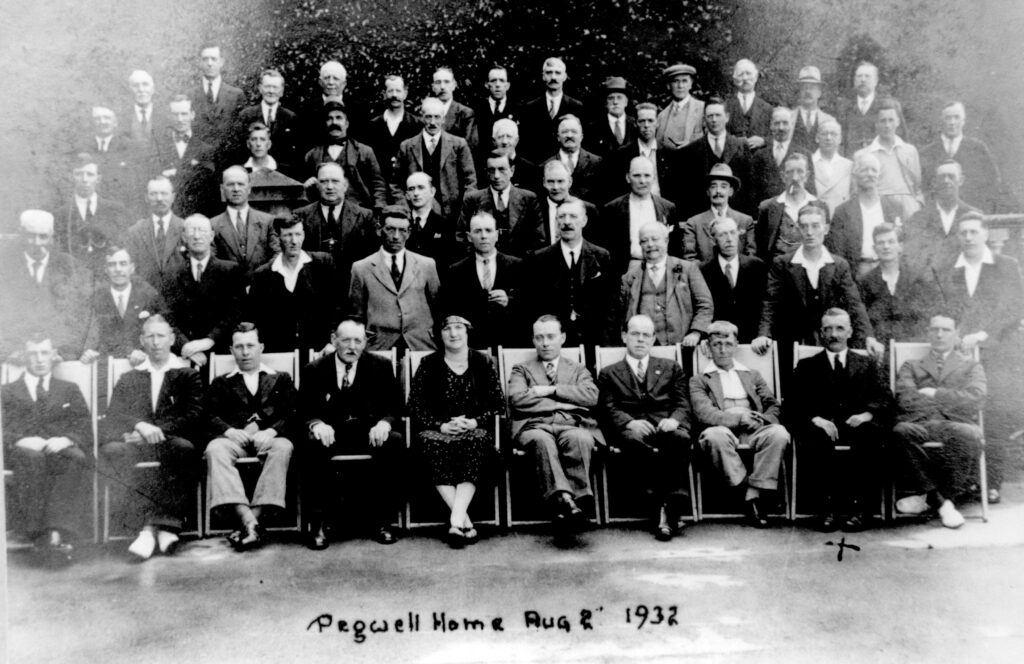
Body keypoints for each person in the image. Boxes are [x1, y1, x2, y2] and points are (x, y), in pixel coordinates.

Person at [935, 214, 1024, 502]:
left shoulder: (1006, 266)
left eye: (974, 231)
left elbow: (1014, 308)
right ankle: (966, 481)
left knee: (995, 414)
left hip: (999, 353)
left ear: (985, 234)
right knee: (960, 412)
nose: (969, 237)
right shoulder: (951, 270)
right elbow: (946, 309)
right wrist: (957, 336)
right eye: (963, 232)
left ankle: (992, 482)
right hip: (962, 353)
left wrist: (983, 335)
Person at [100, 315, 203, 560]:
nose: (156, 342)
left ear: (172, 339)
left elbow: (194, 415)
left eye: (161, 336)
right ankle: (152, 528)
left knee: (184, 449)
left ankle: (154, 529)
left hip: (171, 440)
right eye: (150, 336)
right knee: (113, 451)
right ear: (142, 340)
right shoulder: (130, 377)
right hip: (136, 442)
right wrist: (139, 426)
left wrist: (156, 431)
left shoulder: (187, 374)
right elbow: (115, 413)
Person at [300, 319, 405, 549]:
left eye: (358, 341)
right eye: (346, 340)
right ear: (333, 340)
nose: (352, 347)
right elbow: (304, 410)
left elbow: (395, 406)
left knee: (394, 441)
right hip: (332, 434)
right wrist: (317, 424)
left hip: (368, 433)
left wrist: (385, 423)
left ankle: (383, 521)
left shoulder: (380, 366)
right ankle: (318, 523)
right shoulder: (315, 369)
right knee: (312, 442)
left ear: (365, 342)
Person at [787, 308, 891, 532]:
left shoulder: (867, 364)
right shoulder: (807, 366)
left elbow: (884, 397)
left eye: (840, 328)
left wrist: (866, 415)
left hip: (858, 425)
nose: (834, 334)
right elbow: (793, 403)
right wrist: (816, 419)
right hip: (822, 426)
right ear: (821, 333)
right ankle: (826, 509)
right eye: (828, 329)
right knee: (814, 437)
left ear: (850, 332)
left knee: (871, 435)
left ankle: (859, 509)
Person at [408, 315, 503, 546]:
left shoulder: (483, 361)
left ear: (467, 332)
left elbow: (498, 404)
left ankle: (456, 520)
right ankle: (463, 521)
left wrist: (475, 422)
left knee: (478, 440)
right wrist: (440, 425)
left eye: (459, 328)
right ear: (439, 335)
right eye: (447, 329)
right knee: (429, 442)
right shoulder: (429, 363)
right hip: (438, 430)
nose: (453, 333)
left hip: (473, 430)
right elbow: (414, 406)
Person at [597, 315, 692, 540]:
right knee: (633, 440)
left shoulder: (671, 367)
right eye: (635, 334)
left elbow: (683, 403)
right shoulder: (609, 373)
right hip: (631, 429)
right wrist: (629, 422)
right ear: (624, 336)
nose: (640, 340)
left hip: (665, 425)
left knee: (680, 438)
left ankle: (663, 506)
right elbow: (607, 408)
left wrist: (674, 420)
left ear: (653, 339)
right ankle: (668, 506)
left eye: (646, 335)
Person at [508, 315, 604, 534]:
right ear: (533, 340)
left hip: (571, 425)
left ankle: (569, 504)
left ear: (563, 338)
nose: (545, 343)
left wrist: (551, 390)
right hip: (534, 426)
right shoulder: (521, 369)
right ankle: (569, 502)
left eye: (551, 337)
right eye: (539, 337)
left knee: (580, 438)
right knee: (542, 441)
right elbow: (518, 399)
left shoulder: (578, 369)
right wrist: (565, 404)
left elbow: (591, 396)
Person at [203, 323, 295, 550]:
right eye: (239, 347)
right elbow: (209, 415)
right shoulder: (221, 382)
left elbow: (293, 412)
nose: (245, 352)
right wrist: (229, 431)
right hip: (236, 441)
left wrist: (271, 431)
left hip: (270, 439)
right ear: (231, 350)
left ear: (261, 347)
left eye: (250, 346)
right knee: (215, 449)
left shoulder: (281, 378)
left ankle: (249, 521)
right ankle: (250, 521)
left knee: (283, 447)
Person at [1, 335, 93, 563]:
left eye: (44, 353)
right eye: (33, 354)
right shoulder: (7, 391)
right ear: (24, 357)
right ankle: (38, 534)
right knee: (33, 459)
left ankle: (56, 532)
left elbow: (83, 425)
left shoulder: (68, 389)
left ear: (53, 356)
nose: (40, 359)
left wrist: (66, 439)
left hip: (58, 449)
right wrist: (19, 440)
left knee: (77, 457)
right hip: (20, 452)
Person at [690, 320, 790, 528]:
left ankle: (753, 492)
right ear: (708, 346)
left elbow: (773, 405)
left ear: (736, 345)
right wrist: (737, 419)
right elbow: (704, 413)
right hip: (723, 428)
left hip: (754, 426)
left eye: (728, 344)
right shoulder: (700, 380)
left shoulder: (752, 375)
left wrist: (761, 419)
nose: (723, 350)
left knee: (779, 433)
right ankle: (750, 492)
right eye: (717, 344)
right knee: (713, 437)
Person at [891, 314, 986, 529]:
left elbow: (976, 398)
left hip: (955, 424)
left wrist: (935, 393)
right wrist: (954, 399)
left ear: (956, 335)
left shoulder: (970, 366)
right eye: (935, 329)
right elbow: (905, 398)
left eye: (946, 330)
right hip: (921, 423)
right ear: (928, 333)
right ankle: (942, 502)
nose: (939, 335)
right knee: (900, 431)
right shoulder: (911, 365)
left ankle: (932, 499)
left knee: (971, 434)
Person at [754, 203, 882, 359]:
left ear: (826, 229)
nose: (809, 232)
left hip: (830, 341)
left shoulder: (839, 265)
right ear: (798, 229)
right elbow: (770, 302)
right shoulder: (782, 263)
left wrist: (869, 336)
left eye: (815, 226)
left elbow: (853, 303)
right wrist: (763, 334)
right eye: (804, 226)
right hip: (793, 341)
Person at [348, 206, 442, 351]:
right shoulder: (361, 268)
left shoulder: (426, 265)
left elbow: (438, 307)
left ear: (409, 233)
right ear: (379, 230)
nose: (396, 236)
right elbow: (356, 315)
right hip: (379, 346)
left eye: (402, 230)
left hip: (421, 344)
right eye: (390, 229)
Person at [522, 199, 613, 348]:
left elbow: (609, 303)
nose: (567, 222)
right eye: (562, 216)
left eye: (573, 216)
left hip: (592, 337)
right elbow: (532, 304)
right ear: (556, 221)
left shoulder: (601, 256)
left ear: (584, 221)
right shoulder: (539, 258)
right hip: (553, 342)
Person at [246, 216, 340, 356]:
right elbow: (255, 318)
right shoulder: (262, 275)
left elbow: (337, 306)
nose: (294, 241)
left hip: (319, 352)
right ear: (278, 237)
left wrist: (332, 342)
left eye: (298, 234)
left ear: (304, 235)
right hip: (278, 353)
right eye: (288, 235)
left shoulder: (322, 264)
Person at [0, 210, 85, 359]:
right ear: (21, 234)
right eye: (31, 236)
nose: (37, 243)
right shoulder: (5, 266)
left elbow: (78, 317)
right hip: (13, 356)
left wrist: (61, 352)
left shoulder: (70, 266)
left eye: (43, 236)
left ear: (52, 236)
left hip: (59, 355)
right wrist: (11, 351)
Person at [163, 214, 245, 366]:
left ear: (211, 236)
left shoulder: (230, 270)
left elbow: (235, 313)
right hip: (185, 355)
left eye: (202, 230)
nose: (197, 236)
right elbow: (167, 316)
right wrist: (185, 346)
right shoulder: (172, 274)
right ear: (184, 237)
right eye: (191, 231)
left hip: (220, 352)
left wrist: (209, 340)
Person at [616, 222, 713, 347]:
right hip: (645, 347)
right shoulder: (629, 277)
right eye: (644, 241)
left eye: (655, 239)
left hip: (682, 345)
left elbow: (705, 305)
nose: (650, 244)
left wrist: (695, 333)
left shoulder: (688, 269)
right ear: (640, 245)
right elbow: (620, 316)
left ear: (666, 241)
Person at [442, 212, 525, 349]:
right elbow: (450, 309)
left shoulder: (517, 265)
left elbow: (529, 303)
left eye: (488, 230)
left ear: (497, 234)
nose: (484, 236)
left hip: (510, 341)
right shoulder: (456, 271)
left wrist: (509, 301)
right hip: (473, 345)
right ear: (469, 237)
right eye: (477, 231)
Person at [392, 97, 477, 222]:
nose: (433, 122)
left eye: (437, 117)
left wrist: (464, 211)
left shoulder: (458, 144)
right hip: (416, 216)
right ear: (422, 118)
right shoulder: (407, 146)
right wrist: (406, 209)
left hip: (452, 215)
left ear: (443, 119)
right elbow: (395, 184)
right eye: (428, 117)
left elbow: (470, 181)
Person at [856, 223, 942, 345]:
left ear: (900, 246)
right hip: (879, 347)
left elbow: (931, 312)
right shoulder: (864, 282)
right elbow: (861, 320)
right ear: (874, 248)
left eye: (891, 242)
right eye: (881, 243)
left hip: (913, 344)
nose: (886, 246)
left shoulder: (918, 279)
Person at [291, 162, 376, 284]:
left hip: (352, 285)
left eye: (335, 181)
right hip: (313, 286)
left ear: (345, 185)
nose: (329, 187)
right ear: (317, 185)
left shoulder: (365, 216)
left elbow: (372, 258)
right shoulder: (301, 215)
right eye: (323, 181)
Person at [79, 245, 167, 363]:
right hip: (108, 364)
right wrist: (88, 352)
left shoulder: (148, 296)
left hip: (142, 364)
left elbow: (161, 334)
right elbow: (89, 338)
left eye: (123, 264)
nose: (118, 269)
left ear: (132, 267)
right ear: (106, 269)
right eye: (112, 264)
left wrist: (144, 353)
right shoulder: (95, 299)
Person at [919, 101, 1008, 213]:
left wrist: (983, 212)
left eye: (957, 117)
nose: (952, 122)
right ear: (941, 121)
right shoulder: (927, 152)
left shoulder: (978, 149)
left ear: (963, 121)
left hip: (972, 214)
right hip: (939, 215)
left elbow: (993, 183)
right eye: (948, 118)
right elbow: (922, 188)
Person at [825, 151, 903, 275]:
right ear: (855, 175)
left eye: (874, 170)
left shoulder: (894, 207)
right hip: (857, 272)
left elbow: (903, 244)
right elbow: (837, 252)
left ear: (879, 175)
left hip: (888, 270)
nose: (870, 174)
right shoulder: (843, 211)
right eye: (864, 170)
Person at [599, 156, 679, 275]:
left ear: (654, 178)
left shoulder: (667, 207)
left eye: (647, 175)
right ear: (628, 178)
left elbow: (675, 246)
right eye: (636, 175)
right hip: (625, 270)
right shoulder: (612, 209)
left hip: (660, 269)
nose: (642, 181)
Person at [302, 101, 387, 212]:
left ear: (347, 123)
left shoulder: (364, 151)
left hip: (358, 211)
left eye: (339, 118)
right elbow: (304, 189)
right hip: (323, 211)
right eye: (330, 119)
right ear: (325, 123)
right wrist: (307, 185)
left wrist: (378, 209)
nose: (334, 122)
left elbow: (378, 184)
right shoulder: (312, 155)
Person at [458, 150, 545, 257]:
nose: (496, 176)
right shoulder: (472, 199)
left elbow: (539, 239)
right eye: (491, 170)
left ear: (512, 171)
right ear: (486, 172)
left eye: (501, 169)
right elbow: (461, 237)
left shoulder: (529, 199)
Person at [677, 98, 754, 217]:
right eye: (710, 116)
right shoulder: (691, 150)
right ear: (704, 119)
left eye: (718, 115)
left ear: (727, 117)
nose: (714, 120)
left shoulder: (741, 146)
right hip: (702, 215)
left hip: (735, 215)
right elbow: (687, 190)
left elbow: (749, 186)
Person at [902, 160, 981, 274]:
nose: (946, 181)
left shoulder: (974, 216)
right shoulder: (919, 218)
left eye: (951, 176)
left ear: (961, 180)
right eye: (941, 177)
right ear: (934, 182)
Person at [54, 153, 129, 269]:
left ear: (98, 178)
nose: (84, 179)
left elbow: (123, 248)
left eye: (90, 174)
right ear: (72, 177)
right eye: (79, 174)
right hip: (75, 276)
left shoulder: (115, 210)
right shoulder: (60, 214)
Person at [699, 217, 768, 343]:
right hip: (718, 341)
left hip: (752, 341)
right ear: (713, 240)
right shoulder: (703, 271)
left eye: (733, 233)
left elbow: (765, 305)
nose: (729, 239)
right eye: (722, 235)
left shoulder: (757, 266)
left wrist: (762, 335)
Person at [856, 99, 922, 219]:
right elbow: (856, 190)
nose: (887, 125)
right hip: (877, 207)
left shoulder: (910, 151)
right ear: (876, 124)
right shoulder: (863, 155)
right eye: (883, 121)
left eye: (891, 120)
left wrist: (917, 204)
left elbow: (918, 187)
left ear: (898, 122)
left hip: (907, 208)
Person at [154, 95, 217, 217]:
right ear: (169, 116)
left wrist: (175, 173)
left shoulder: (206, 150)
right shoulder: (159, 148)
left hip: (196, 212)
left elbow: (207, 186)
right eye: (175, 114)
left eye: (184, 114)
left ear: (192, 115)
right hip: (166, 213)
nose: (180, 119)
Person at [209, 166, 277, 278]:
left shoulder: (268, 221)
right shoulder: (212, 225)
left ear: (249, 188)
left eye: (241, 184)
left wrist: (262, 278)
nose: (236, 189)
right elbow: (210, 261)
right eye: (230, 184)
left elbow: (278, 255)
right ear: (222, 189)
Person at [753, 152, 820, 264]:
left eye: (800, 171)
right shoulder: (768, 207)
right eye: (790, 172)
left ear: (807, 176)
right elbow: (760, 248)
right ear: (783, 176)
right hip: (777, 270)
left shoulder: (818, 206)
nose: (795, 178)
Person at [680, 163, 755, 262]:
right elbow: (690, 259)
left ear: (730, 191)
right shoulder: (694, 223)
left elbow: (750, 259)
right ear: (708, 191)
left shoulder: (745, 221)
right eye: (713, 186)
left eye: (723, 186)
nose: (718, 191)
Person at [123, 176, 186, 293]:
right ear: (146, 198)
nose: (159, 199)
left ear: (173, 197)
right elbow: (129, 269)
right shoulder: (135, 232)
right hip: (146, 297)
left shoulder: (185, 228)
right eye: (153, 194)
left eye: (164, 193)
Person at [518, 57, 586, 163]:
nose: (553, 77)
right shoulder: (530, 107)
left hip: (566, 165)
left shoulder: (576, 107)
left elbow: (583, 141)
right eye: (549, 73)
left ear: (565, 76)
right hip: (538, 165)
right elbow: (525, 142)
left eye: (558, 73)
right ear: (543, 76)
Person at [609, 102, 678, 203]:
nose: (646, 125)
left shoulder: (671, 153)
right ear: (635, 123)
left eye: (650, 121)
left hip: (663, 207)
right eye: (642, 121)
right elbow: (617, 191)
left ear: (657, 123)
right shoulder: (623, 155)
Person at [749, 106, 816, 208]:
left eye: (785, 123)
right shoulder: (759, 155)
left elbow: (810, 189)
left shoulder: (804, 154)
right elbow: (752, 192)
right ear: (771, 125)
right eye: (777, 123)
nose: (781, 128)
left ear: (792, 125)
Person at [364, 75, 422, 189]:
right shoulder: (372, 126)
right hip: (378, 186)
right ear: (384, 94)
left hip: (408, 186)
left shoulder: (417, 125)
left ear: (405, 94)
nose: (394, 95)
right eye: (390, 91)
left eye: (398, 91)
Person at [835, 62, 906, 154]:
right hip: (852, 160)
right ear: (854, 81)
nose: (863, 80)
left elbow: (901, 139)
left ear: (876, 81)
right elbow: (839, 141)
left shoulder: (889, 105)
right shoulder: (844, 107)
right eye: (859, 76)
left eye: (867, 76)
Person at [190, 43, 245, 156]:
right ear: (199, 62)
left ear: (221, 62)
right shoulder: (190, 95)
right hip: (199, 158)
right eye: (205, 59)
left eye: (214, 59)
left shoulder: (236, 95)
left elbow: (241, 132)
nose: (209, 63)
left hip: (229, 157)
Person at [236, 69, 300, 166]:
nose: (271, 91)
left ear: (281, 91)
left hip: (281, 171)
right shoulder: (246, 115)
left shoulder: (290, 117)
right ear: (260, 88)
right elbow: (239, 149)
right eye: (267, 87)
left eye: (275, 87)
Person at [543, 115, 603, 204]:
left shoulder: (597, 162)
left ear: (581, 137)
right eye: (564, 132)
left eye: (574, 132)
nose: (569, 135)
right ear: (558, 137)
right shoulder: (545, 165)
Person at [538, 159, 599, 246]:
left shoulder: (588, 209)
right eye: (550, 181)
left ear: (570, 182)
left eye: (560, 181)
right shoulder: (536, 208)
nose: (555, 187)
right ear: (544, 182)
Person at [403, 172, 458, 267]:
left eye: (421, 188)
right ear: (407, 195)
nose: (416, 193)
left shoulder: (445, 225)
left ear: (432, 191)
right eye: (411, 189)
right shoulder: (402, 223)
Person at [472, 66, 519, 167]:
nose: (497, 85)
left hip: (511, 166)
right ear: (487, 84)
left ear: (507, 85)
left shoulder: (518, 109)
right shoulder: (476, 110)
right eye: (493, 81)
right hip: (483, 165)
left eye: (502, 81)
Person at [724, 59, 774, 152]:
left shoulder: (768, 108)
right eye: (740, 74)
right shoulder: (725, 106)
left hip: (757, 158)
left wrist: (763, 141)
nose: (745, 78)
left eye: (748, 73)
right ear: (734, 80)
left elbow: (777, 137)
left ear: (756, 77)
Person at [655, 64, 705, 150]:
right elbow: (658, 146)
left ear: (691, 84)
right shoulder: (662, 116)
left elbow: (712, 139)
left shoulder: (703, 109)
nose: (680, 86)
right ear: (668, 85)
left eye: (684, 81)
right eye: (675, 81)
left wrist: (691, 144)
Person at [790, 66, 836, 153]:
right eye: (804, 88)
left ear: (819, 93)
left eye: (812, 88)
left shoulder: (829, 121)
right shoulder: (789, 118)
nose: (808, 91)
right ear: (799, 92)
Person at [589, 76, 637, 157]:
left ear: (626, 102)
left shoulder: (635, 125)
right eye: (611, 98)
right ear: (605, 103)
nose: (615, 102)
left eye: (619, 98)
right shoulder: (594, 128)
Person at [812, 119, 852, 214]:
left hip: (840, 217)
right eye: (824, 134)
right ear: (817, 138)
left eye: (833, 134)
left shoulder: (849, 166)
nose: (828, 138)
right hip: (815, 216)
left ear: (840, 139)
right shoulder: (809, 163)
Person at [432, 67, 476, 142]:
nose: (442, 87)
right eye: (438, 82)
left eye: (446, 82)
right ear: (433, 87)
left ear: (454, 85)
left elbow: (469, 145)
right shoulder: (425, 113)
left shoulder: (466, 114)